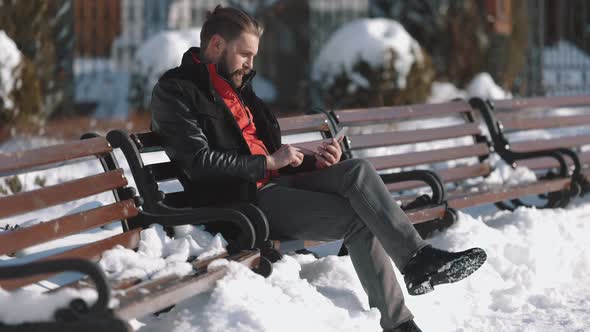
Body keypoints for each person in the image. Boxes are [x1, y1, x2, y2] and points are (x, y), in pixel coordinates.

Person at [149, 5, 487, 332]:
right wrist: (267, 163)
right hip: (242, 202)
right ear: (217, 45)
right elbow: (199, 164)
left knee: (356, 170)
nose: (251, 65)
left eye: (254, 56)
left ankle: (418, 261)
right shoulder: (176, 90)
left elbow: (270, 150)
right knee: (357, 218)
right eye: (245, 54)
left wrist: (312, 159)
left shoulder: (240, 88)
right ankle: (400, 324)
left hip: (276, 183)